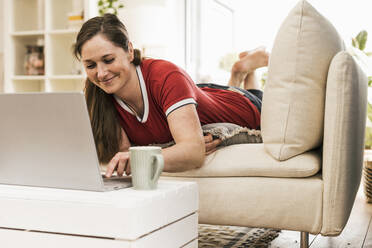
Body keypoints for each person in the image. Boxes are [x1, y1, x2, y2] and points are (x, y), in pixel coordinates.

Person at [73, 14, 269, 177]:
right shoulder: (102, 94)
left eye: (108, 60)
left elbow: (193, 152)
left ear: (130, 51)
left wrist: (143, 156)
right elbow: (121, 153)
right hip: (201, 95)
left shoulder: (165, 75)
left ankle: (242, 70)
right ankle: (241, 72)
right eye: (90, 65)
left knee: (253, 97)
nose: (100, 73)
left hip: (242, 106)